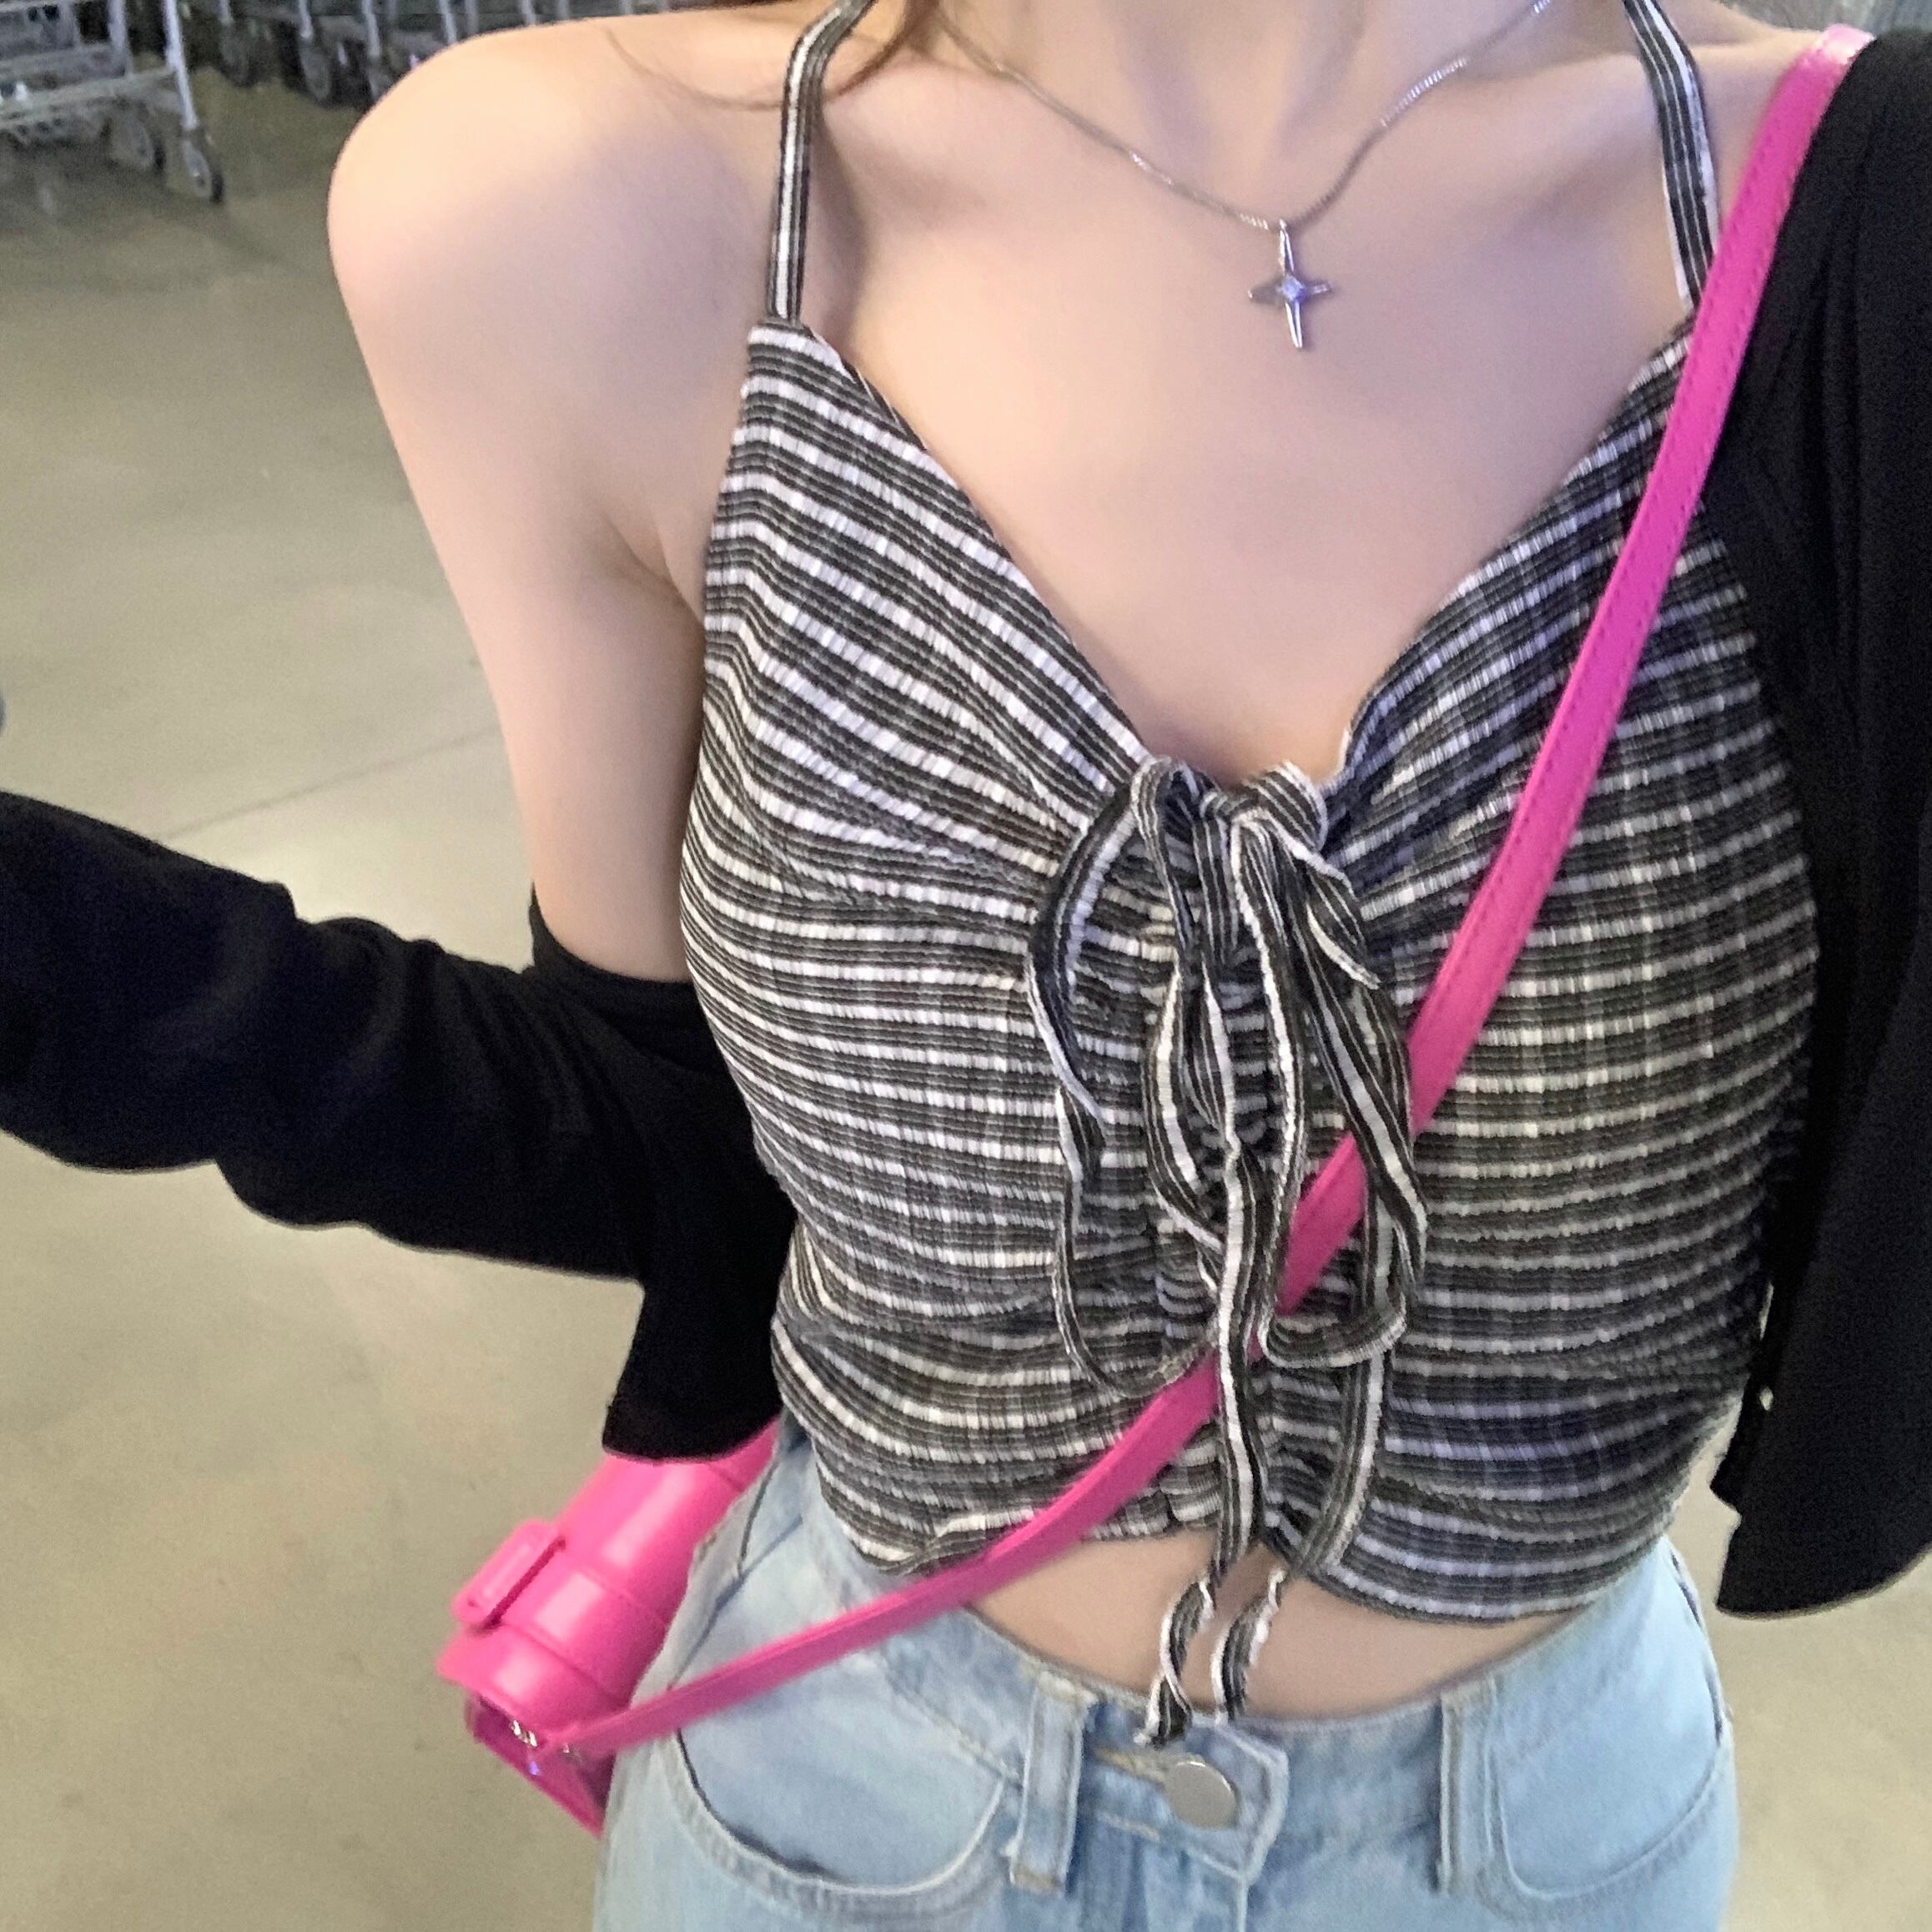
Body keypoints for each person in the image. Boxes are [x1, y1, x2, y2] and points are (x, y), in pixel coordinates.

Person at [7, 2, 1931, 1927]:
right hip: (847, 1802)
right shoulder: (577, 207)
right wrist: (96, 979)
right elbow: (655, 1125)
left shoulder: (1858, 220)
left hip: (1542, 1835)